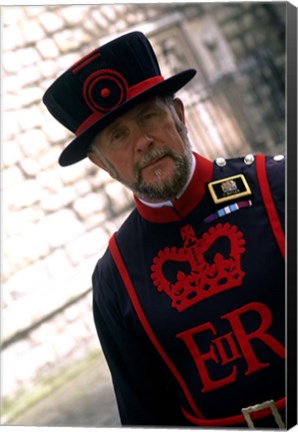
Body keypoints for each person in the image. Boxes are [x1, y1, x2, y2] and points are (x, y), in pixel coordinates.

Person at [43, 31, 286, 429]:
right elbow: (146, 417)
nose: (142, 142)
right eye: (118, 136)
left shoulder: (277, 186)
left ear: (178, 114)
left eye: (148, 117)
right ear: (102, 164)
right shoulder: (114, 278)